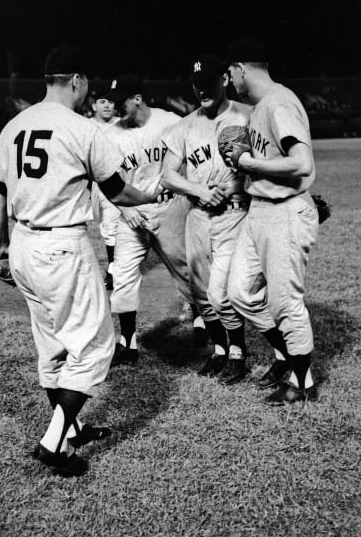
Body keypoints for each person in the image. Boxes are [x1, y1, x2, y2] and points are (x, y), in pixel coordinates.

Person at [0, 45, 161, 477]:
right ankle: (54, 441)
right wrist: (153, 195)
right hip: (63, 244)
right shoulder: (80, 128)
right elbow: (119, 191)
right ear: (78, 80)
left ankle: (73, 429)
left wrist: (2, 248)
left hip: (24, 244)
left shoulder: (14, 125)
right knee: (95, 345)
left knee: (51, 345)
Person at [225, 37, 319, 404]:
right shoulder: (260, 106)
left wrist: (249, 163)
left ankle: (303, 382)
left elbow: (302, 162)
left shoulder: (279, 102)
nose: (229, 81)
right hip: (261, 209)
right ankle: (286, 355)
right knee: (240, 293)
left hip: (285, 211)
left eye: (229, 73)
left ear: (241, 69)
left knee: (285, 302)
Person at [162, 54, 252, 384]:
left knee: (220, 292)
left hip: (235, 215)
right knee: (201, 293)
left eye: (209, 84)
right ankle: (219, 351)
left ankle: (238, 352)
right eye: (197, 86)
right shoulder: (185, 126)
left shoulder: (247, 116)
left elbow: (265, 164)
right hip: (198, 216)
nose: (203, 91)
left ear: (225, 80)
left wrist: (233, 185)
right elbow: (167, 176)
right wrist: (199, 190)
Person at [104, 74, 204, 365]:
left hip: (169, 208)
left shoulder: (170, 122)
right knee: (121, 275)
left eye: (119, 101)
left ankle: (201, 318)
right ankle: (128, 342)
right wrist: (125, 209)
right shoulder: (111, 135)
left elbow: (192, 158)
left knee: (185, 269)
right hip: (130, 214)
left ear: (137, 98)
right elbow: (108, 182)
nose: (113, 107)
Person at [90, 89, 121, 290]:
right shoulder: (87, 126)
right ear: (94, 105)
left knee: (112, 226)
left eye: (110, 101)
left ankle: (113, 269)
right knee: (103, 226)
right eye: (102, 101)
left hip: (117, 180)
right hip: (93, 183)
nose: (107, 105)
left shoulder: (122, 125)